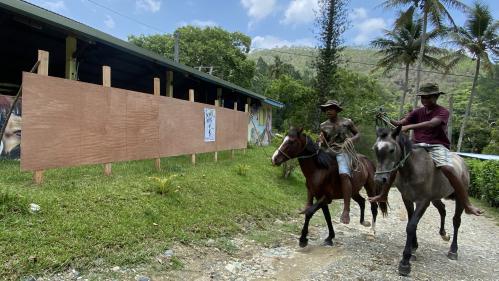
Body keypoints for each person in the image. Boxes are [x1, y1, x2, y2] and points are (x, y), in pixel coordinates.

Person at [370, 83, 482, 216]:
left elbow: (432, 124)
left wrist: (410, 127)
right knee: (398, 164)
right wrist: (387, 117)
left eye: (428, 97)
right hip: (417, 145)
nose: (424, 100)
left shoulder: (443, 112)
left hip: (437, 146)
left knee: (448, 168)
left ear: (436, 97)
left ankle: (467, 204)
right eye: (423, 97)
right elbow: (400, 123)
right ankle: (383, 195)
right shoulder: (417, 111)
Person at [311, 100, 360, 224]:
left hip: (343, 151)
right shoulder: (323, 125)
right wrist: (320, 141)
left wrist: (351, 141)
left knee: (344, 174)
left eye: (331, 108)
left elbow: (358, 134)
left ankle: (346, 210)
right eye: (326, 109)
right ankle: (311, 200)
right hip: (329, 151)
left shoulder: (347, 122)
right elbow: (323, 141)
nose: (328, 111)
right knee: (313, 170)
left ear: (337, 110)